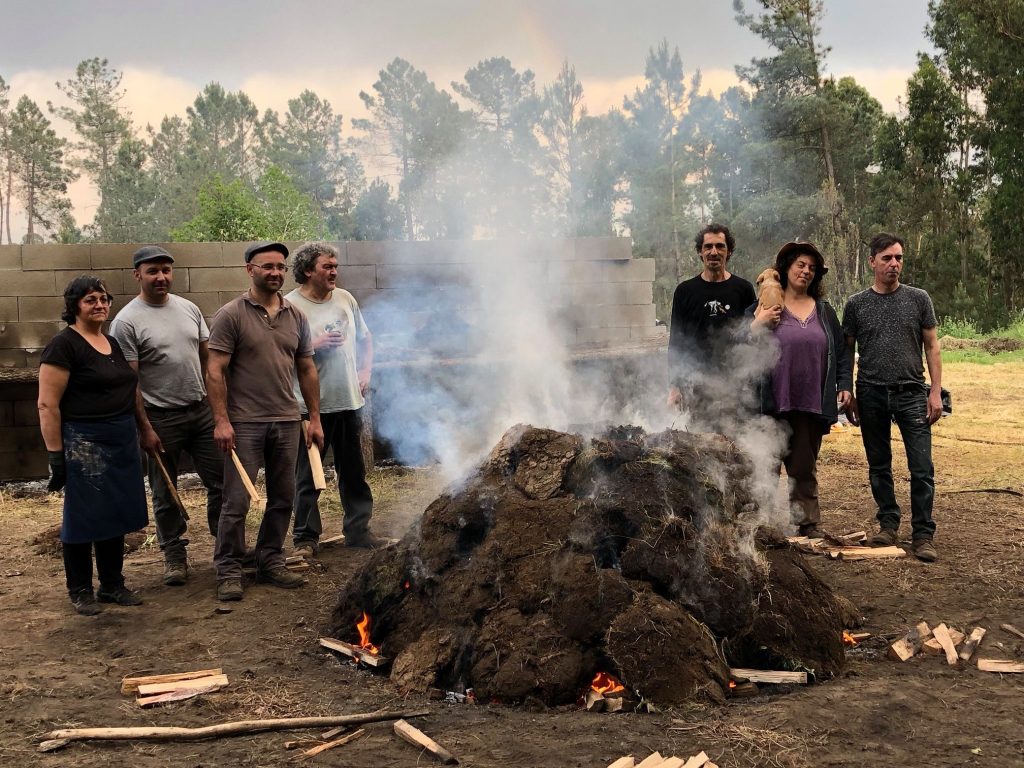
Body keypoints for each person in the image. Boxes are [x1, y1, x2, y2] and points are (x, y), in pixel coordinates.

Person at [206, 241, 325, 601]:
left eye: (280, 267)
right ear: (250, 270)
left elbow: (307, 368)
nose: (275, 272)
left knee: (283, 497)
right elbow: (215, 371)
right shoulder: (231, 315)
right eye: (267, 266)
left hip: (287, 420)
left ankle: (270, 559)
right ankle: (228, 568)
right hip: (245, 424)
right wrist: (221, 421)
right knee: (236, 501)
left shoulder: (296, 316)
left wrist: (314, 418)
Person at [109, 246, 224, 586]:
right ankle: (174, 555)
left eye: (166, 270)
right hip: (160, 418)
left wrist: (219, 412)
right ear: (137, 275)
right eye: (153, 271)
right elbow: (130, 381)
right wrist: (144, 427)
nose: (161, 277)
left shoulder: (189, 309)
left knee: (222, 482)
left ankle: (226, 547)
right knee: (164, 492)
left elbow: (209, 361)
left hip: (200, 411)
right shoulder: (126, 321)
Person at [37, 276, 148, 615]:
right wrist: (56, 455)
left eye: (103, 299)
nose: (99, 305)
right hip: (85, 442)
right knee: (84, 517)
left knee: (115, 512)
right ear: (74, 306)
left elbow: (128, 389)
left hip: (121, 438)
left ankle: (112, 585)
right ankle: (80, 589)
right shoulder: (63, 345)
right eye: (90, 300)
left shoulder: (110, 342)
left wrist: (141, 430)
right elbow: (47, 405)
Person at [843, 233, 942, 563]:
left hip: (912, 393)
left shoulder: (918, 299)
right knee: (879, 465)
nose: (894, 264)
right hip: (870, 393)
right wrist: (850, 392)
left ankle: (923, 534)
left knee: (922, 467)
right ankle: (888, 525)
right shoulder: (856, 304)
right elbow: (847, 351)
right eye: (886, 258)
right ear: (872, 262)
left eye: (898, 257)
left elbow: (932, 346)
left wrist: (935, 391)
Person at [286, 243, 385, 554]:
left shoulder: (345, 299)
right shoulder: (290, 306)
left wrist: (365, 371)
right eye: (327, 267)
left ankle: (358, 531)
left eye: (335, 266)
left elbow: (366, 339)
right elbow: (279, 354)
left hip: (348, 401)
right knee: (308, 477)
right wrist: (313, 345)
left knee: (354, 473)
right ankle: (305, 539)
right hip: (309, 407)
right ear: (307, 270)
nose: (334, 272)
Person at [750, 242, 852, 538]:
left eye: (812, 268)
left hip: (810, 402)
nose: (806, 271)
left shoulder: (824, 311)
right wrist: (756, 325)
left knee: (804, 467)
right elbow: (738, 345)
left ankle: (807, 523)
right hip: (771, 402)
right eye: (801, 265)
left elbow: (841, 352)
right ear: (786, 268)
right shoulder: (766, 305)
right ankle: (762, 524)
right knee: (765, 464)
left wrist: (844, 384)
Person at [667, 224, 756, 414]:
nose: (713, 252)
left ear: (729, 251)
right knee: (699, 433)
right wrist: (675, 386)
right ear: (700, 252)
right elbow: (676, 342)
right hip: (696, 386)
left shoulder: (743, 289)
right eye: (708, 246)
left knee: (738, 433)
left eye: (720, 246)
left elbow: (752, 336)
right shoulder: (685, 291)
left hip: (736, 385)